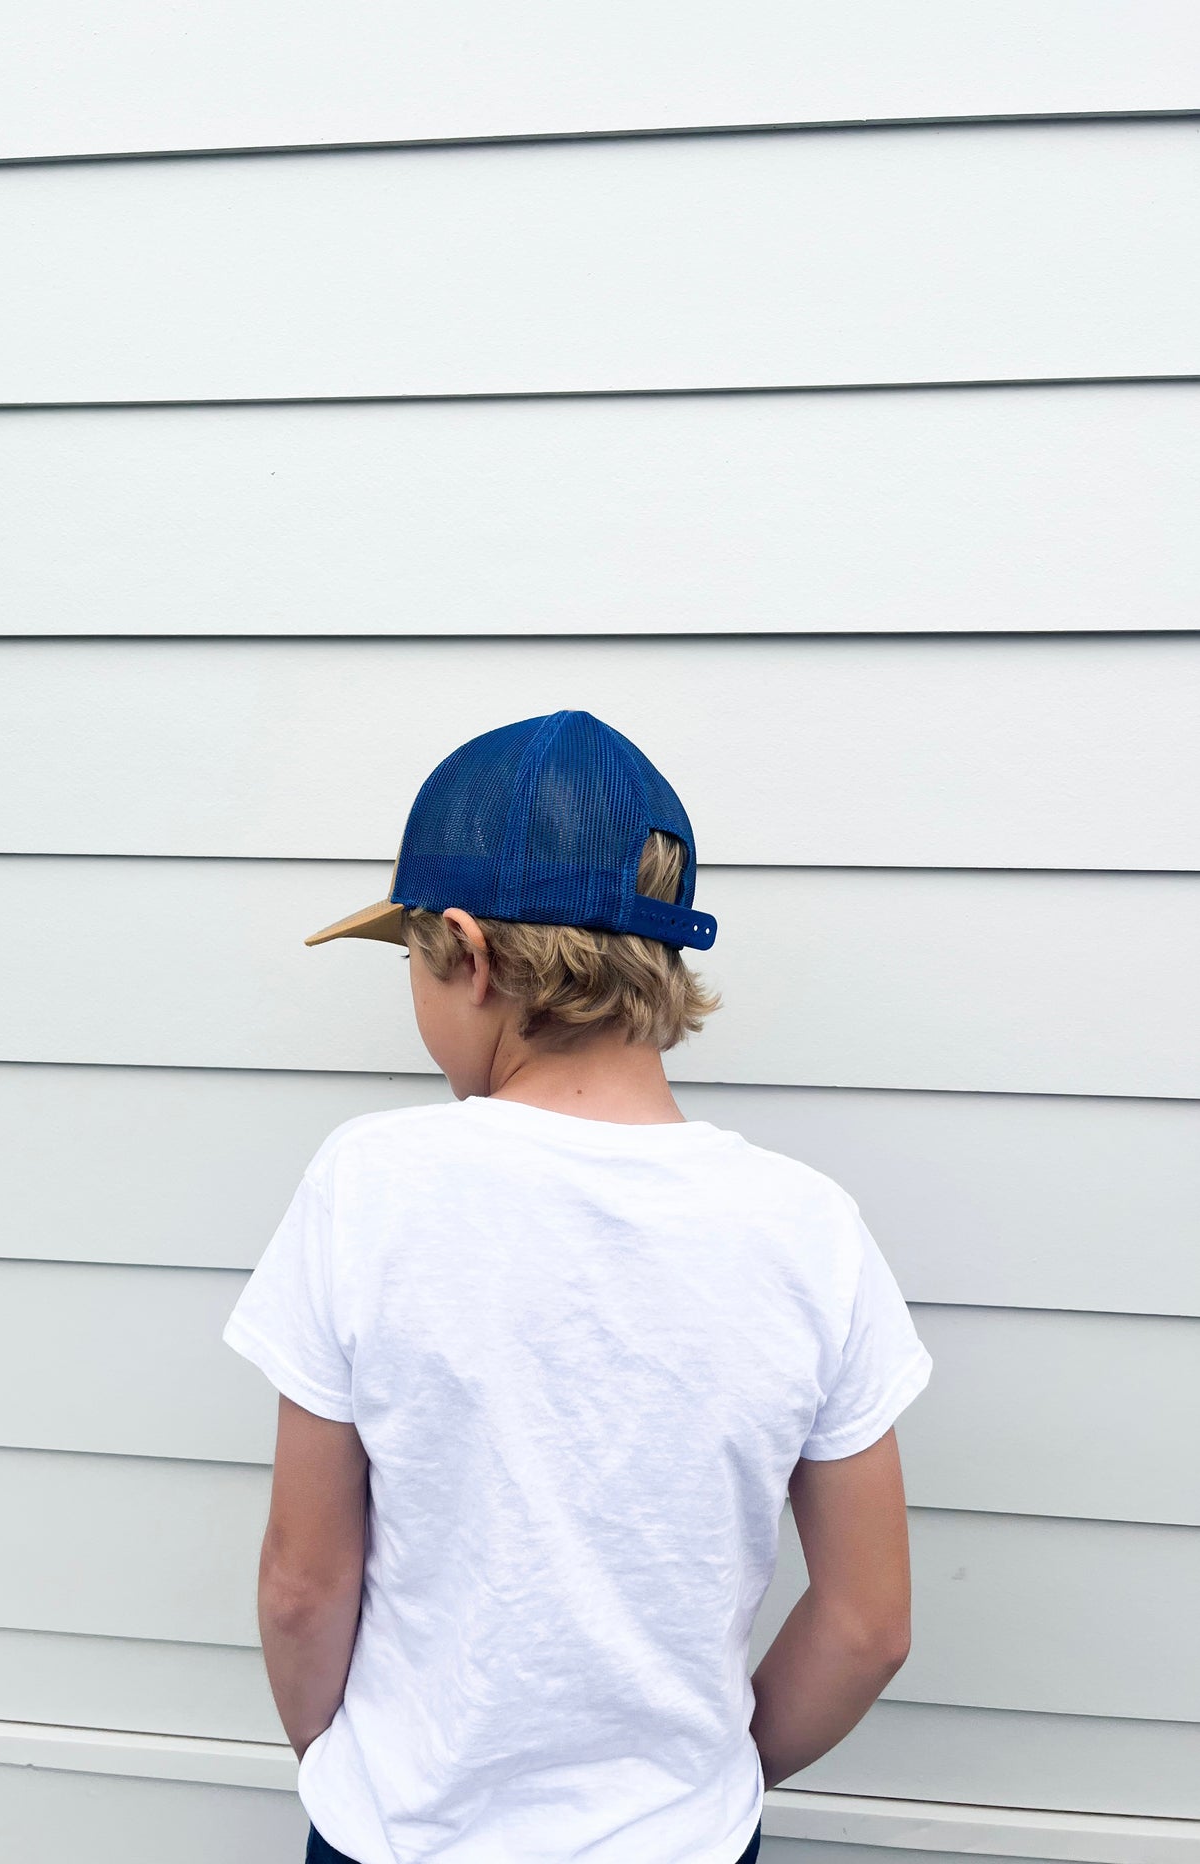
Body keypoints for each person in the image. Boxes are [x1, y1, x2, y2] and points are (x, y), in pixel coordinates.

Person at [222, 709, 933, 1864]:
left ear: (469, 949)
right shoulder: (810, 1230)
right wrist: (708, 1779)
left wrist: (335, 1767)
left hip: (401, 1833)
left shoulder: (372, 1184)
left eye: (409, 957)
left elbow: (302, 1581)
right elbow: (866, 1624)